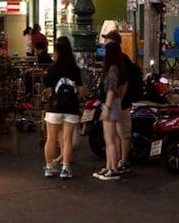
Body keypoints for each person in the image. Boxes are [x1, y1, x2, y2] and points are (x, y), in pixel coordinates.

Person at [42, 37, 85, 179]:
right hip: (71, 107)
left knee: (51, 139)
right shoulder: (75, 69)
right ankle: (65, 168)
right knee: (67, 139)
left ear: (56, 51)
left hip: (54, 106)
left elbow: (47, 87)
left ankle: (49, 167)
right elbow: (81, 89)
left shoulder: (53, 68)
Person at [104, 30, 143, 174]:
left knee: (121, 134)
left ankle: (121, 162)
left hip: (121, 103)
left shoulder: (119, 61)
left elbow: (121, 83)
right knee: (117, 135)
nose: (104, 43)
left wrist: (115, 101)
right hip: (121, 102)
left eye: (107, 41)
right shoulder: (122, 60)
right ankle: (117, 162)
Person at [94, 42, 128, 181]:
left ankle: (113, 168)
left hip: (110, 105)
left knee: (109, 140)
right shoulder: (120, 67)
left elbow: (110, 89)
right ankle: (108, 167)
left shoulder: (112, 69)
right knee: (111, 138)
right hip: (116, 103)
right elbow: (122, 87)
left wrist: (107, 107)